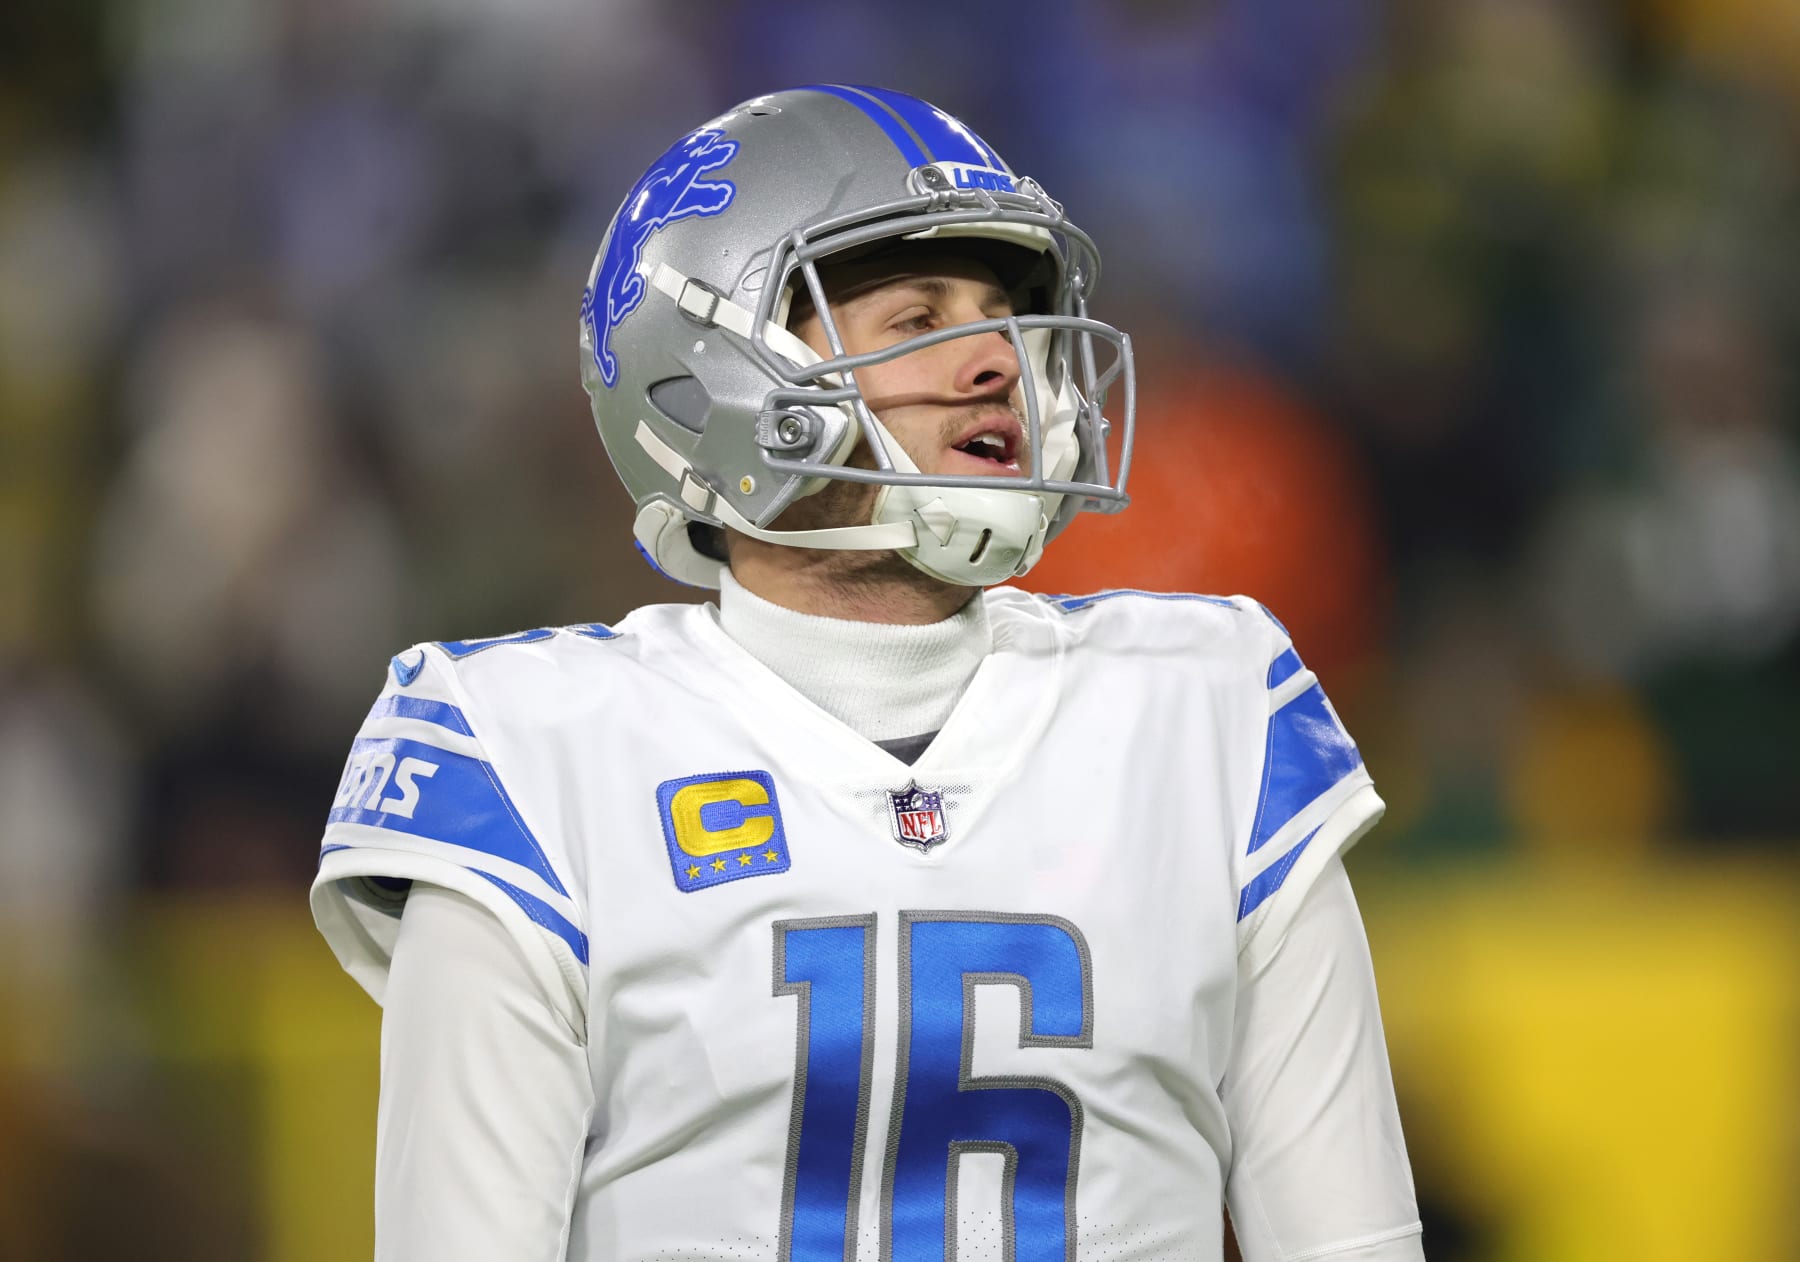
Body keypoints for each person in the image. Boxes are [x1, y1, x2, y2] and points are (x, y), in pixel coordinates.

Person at [312, 85, 1424, 1262]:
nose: (999, 359)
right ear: (723, 375)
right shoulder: (533, 759)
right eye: (917, 318)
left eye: (1005, 314)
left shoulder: (1210, 708)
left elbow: (1352, 1241)